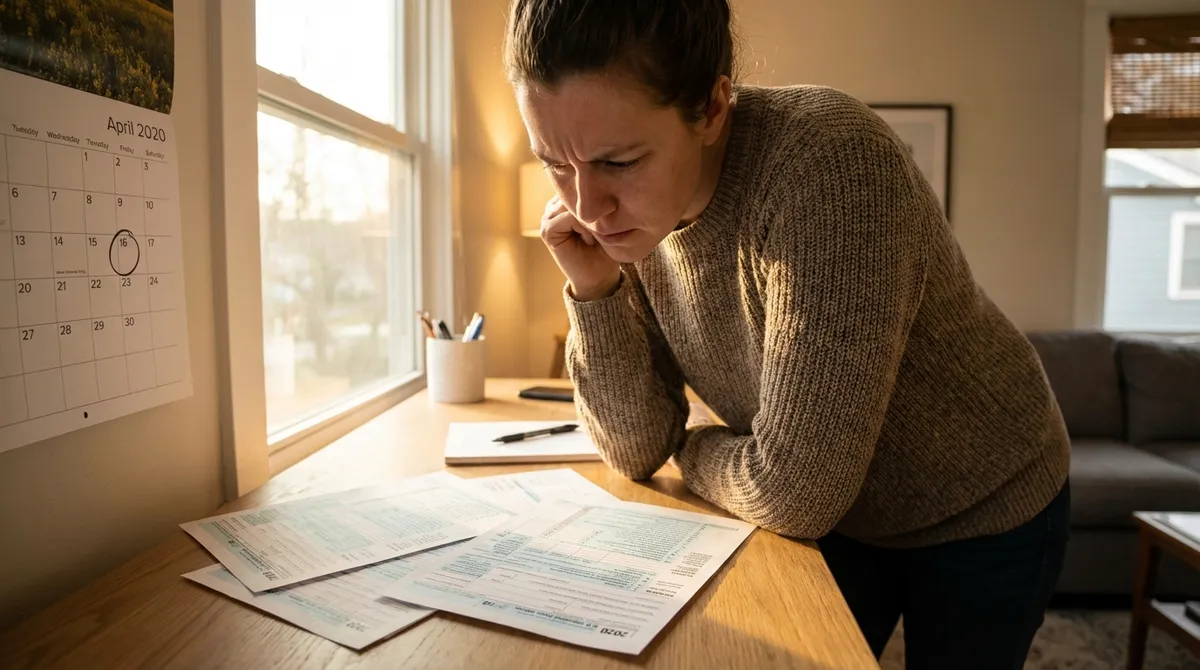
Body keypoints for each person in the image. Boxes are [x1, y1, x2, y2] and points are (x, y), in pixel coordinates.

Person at [503, 1, 1070, 667]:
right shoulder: (626, 227)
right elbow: (634, 450)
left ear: (713, 109)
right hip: (841, 507)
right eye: (553, 162)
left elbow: (794, 491)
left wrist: (693, 445)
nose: (585, 207)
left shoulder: (828, 163)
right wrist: (594, 289)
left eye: (620, 162)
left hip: (983, 498)